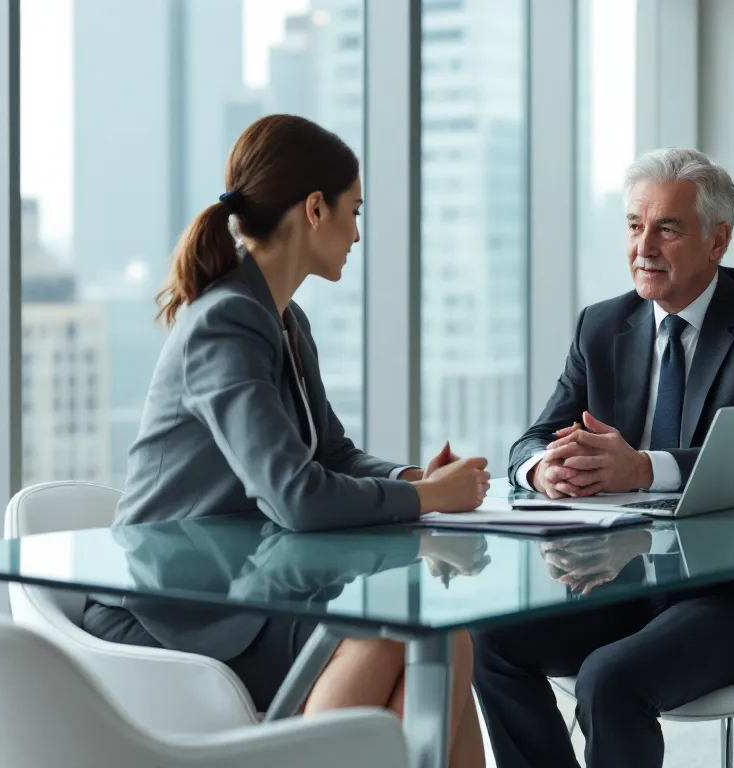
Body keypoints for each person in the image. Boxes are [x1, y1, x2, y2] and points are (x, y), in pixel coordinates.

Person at [81, 114, 489, 767]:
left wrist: (416, 479)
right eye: (354, 212)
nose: (357, 234)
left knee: (443, 638)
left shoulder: (283, 319)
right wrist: (430, 499)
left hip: (244, 593)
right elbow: (296, 497)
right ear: (315, 209)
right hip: (171, 612)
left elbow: (332, 455)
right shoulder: (226, 322)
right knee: (399, 638)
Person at [471, 147, 734, 768]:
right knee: (490, 640)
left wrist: (644, 468)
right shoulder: (601, 326)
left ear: (717, 240)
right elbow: (532, 439)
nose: (643, 247)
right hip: (623, 582)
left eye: (667, 229)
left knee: (609, 679)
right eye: (634, 225)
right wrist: (543, 469)